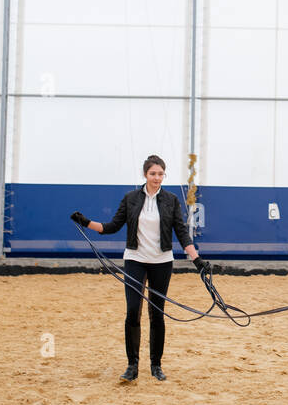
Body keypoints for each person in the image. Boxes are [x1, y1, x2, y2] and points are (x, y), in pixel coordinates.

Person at [70, 155, 207, 382]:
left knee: (157, 314)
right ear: (145, 174)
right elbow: (112, 226)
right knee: (133, 311)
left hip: (162, 262)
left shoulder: (171, 200)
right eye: (153, 174)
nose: (156, 178)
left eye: (160, 174)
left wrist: (197, 259)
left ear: (164, 175)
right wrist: (86, 222)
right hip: (135, 259)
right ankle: (132, 365)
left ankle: (156, 365)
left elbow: (181, 232)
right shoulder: (131, 198)